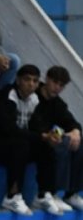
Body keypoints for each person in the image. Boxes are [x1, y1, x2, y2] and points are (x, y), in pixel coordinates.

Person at [0, 64, 56, 216]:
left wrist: (48, 136)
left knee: (45, 146)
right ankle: (12, 196)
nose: (31, 84)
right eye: (27, 80)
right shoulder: (6, 96)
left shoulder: (34, 99)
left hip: (8, 144)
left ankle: (43, 194)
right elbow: (9, 130)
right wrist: (40, 136)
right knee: (20, 144)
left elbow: (36, 127)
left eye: (35, 81)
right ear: (18, 80)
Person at [28, 65, 83, 212]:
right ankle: (52, 192)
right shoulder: (32, 95)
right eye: (55, 83)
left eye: (61, 85)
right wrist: (60, 134)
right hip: (31, 137)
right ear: (47, 79)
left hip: (48, 136)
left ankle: (71, 193)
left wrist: (76, 131)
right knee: (62, 142)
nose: (57, 88)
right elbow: (34, 125)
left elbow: (71, 121)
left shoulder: (57, 104)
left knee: (78, 142)